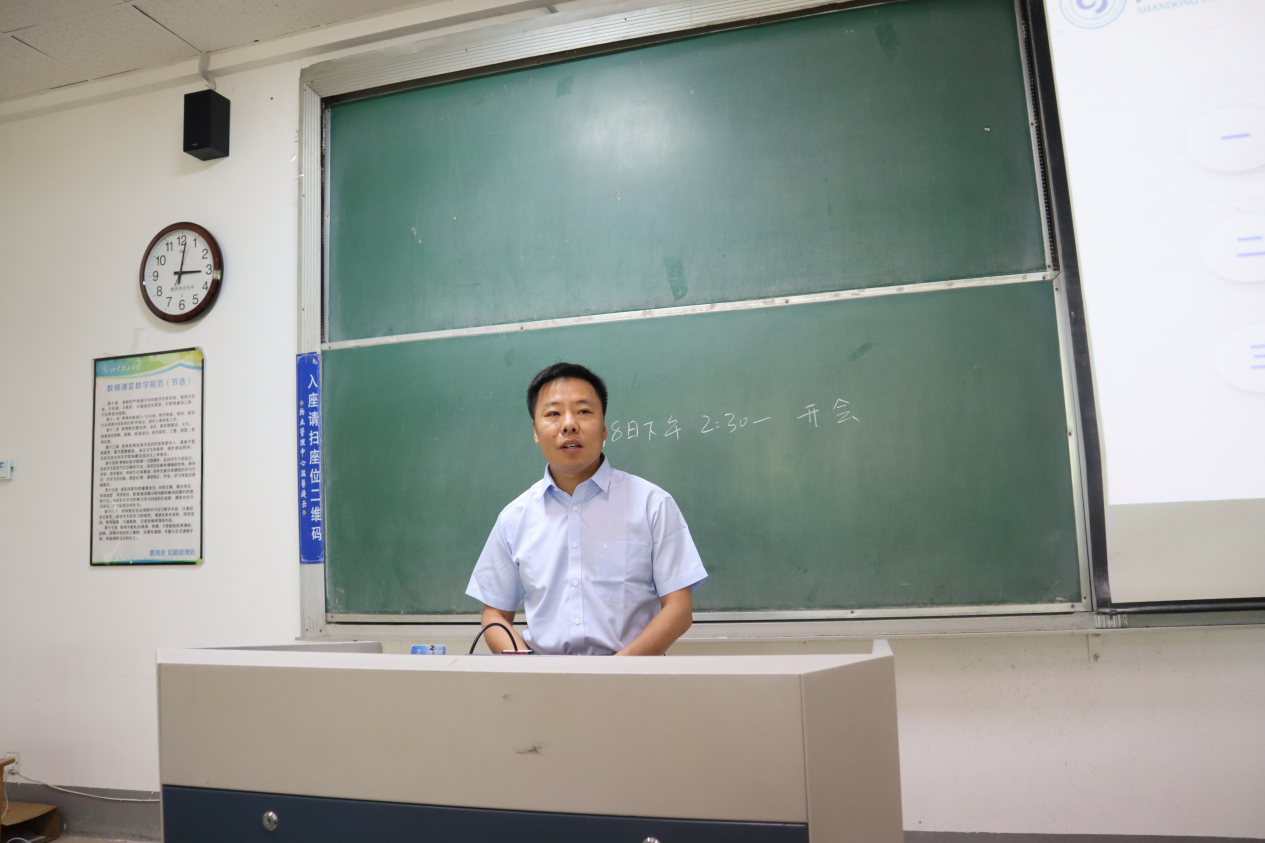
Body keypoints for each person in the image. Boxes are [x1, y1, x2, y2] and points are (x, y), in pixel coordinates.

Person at [465, 363, 707, 655]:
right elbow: (494, 615)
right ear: (536, 431)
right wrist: (528, 667)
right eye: (553, 414)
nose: (569, 425)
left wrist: (615, 672)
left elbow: (679, 610)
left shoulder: (652, 504)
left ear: (604, 428)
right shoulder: (514, 518)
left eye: (583, 411)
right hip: (542, 678)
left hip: (631, 676)